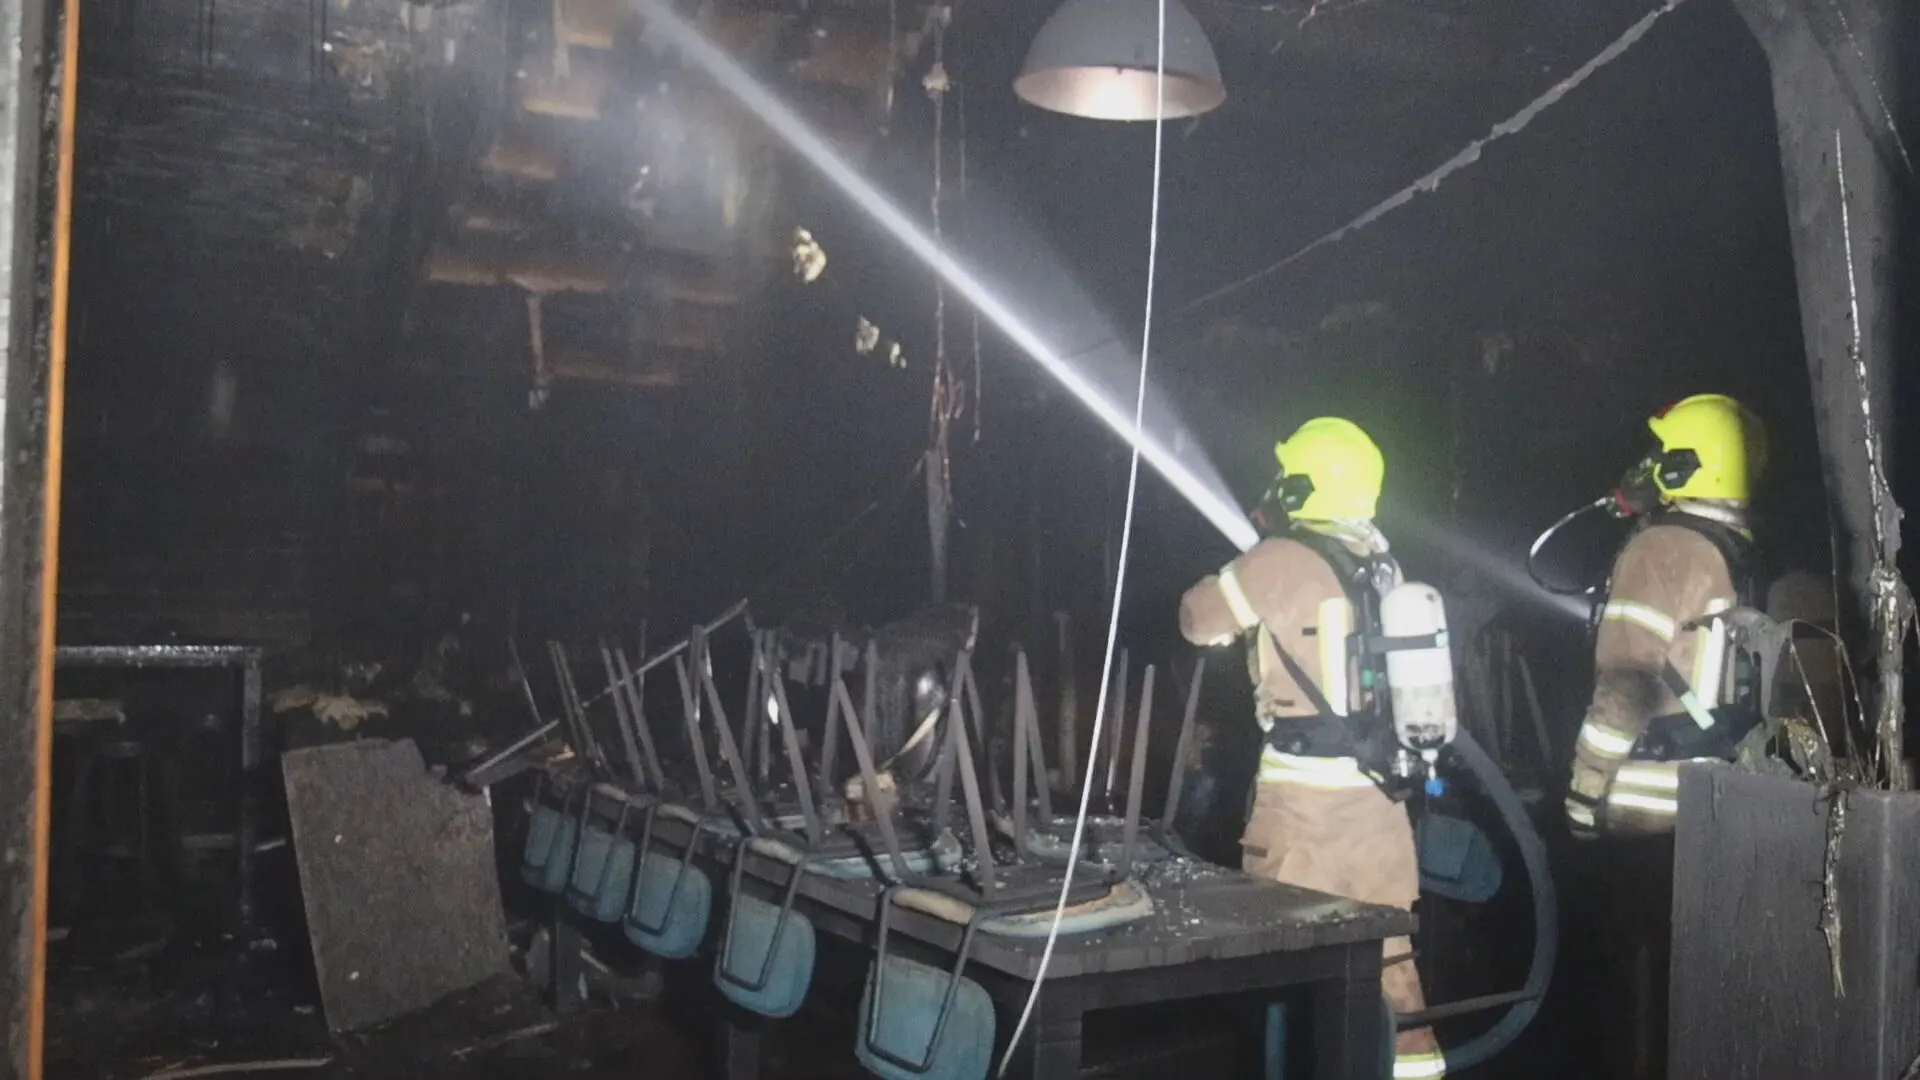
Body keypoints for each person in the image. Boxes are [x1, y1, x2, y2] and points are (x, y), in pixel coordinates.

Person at [1179, 417, 1445, 1080]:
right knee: (1389, 966)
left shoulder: (1279, 559)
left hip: (1303, 809)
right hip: (1381, 803)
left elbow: (1197, 620)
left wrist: (1244, 561)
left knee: (1286, 975)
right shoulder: (1384, 566)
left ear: (1303, 484)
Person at [1564, 393, 1769, 836]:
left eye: (1662, 454)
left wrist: (1586, 790)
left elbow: (1628, 682)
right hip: (1725, 791)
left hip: (1648, 800)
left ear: (1684, 465)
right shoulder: (1738, 550)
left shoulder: (1662, 550)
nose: (1650, 465)